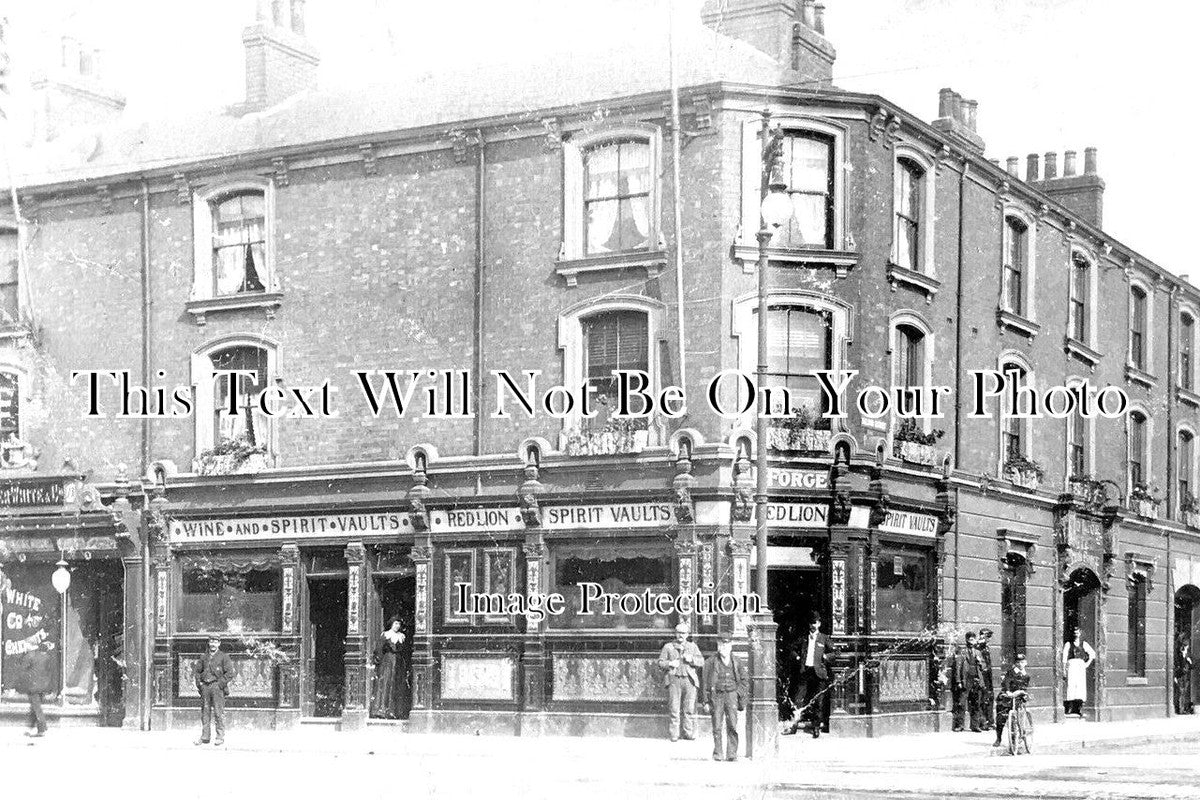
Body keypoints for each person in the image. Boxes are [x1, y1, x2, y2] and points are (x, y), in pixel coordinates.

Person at [784, 611, 833, 738]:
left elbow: (836, 652)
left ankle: (816, 727)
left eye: (815, 623)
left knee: (818, 701)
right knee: (798, 700)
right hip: (805, 671)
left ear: (819, 624)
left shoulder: (824, 638)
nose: (813, 625)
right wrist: (798, 658)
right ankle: (794, 726)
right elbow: (791, 649)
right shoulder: (804, 638)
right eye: (811, 623)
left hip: (818, 673)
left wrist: (826, 656)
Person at [704, 631, 747, 761]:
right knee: (716, 726)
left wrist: (737, 693)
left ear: (731, 645)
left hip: (732, 696)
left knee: (732, 725)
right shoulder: (711, 662)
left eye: (726, 644)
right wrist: (706, 701)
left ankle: (732, 754)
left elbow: (745, 681)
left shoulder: (737, 661)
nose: (723, 646)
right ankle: (718, 754)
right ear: (718, 645)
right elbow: (705, 682)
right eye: (721, 644)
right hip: (716, 696)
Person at [658, 622, 703, 741]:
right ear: (675, 633)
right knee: (674, 708)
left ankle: (687, 732)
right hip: (674, 680)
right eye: (678, 633)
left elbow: (701, 661)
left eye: (683, 633)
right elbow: (660, 663)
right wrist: (670, 663)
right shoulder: (668, 647)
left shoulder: (693, 647)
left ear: (687, 634)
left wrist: (692, 659)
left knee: (689, 708)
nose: (680, 635)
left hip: (689, 680)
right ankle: (674, 734)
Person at [194, 636, 235, 746]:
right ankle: (205, 737)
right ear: (208, 643)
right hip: (205, 688)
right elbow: (197, 672)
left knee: (218, 712)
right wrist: (200, 684)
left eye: (215, 642)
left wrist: (220, 684)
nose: (213, 644)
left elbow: (230, 673)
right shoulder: (203, 657)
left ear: (219, 643)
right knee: (205, 713)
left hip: (217, 688)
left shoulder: (224, 657)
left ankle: (220, 737)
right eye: (211, 641)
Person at [994, 652, 1031, 748]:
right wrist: (1007, 691)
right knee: (1000, 718)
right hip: (1008, 696)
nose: (1020, 664)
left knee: (1017, 718)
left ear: (1025, 663)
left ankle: (1016, 738)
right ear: (1015, 663)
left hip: (1018, 698)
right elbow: (1006, 682)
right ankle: (998, 738)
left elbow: (1024, 687)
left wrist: (1023, 693)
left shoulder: (1026, 675)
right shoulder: (1010, 672)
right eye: (1018, 662)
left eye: (1022, 662)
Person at [370, 617, 406, 719]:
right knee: (385, 683)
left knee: (396, 684)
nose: (397, 626)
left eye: (399, 624)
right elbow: (379, 650)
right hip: (387, 662)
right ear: (391, 624)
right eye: (395, 624)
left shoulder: (401, 636)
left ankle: (394, 711)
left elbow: (404, 651)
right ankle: (382, 710)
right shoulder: (385, 635)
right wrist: (378, 661)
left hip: (398, 663)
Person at [21, 641, 56, 738]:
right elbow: (50, 673)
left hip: (33, 687)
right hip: (43, 687)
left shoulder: (31, 656)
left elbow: (24, 668)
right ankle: (30, 727)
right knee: (35, 707)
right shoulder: (48, 658)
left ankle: (42, 728)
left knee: (36, 708)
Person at [951, 631, 985, 732]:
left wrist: (980, 662)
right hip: (966, 680)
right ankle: (960, 725)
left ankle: (975, 725)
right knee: (961, 703)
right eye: (970, 639)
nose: (972, 641)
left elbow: (984, 667)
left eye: (973, 639)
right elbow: (958, 667)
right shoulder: (962, 651)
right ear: (966, 640)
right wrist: (958, 681)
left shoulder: (978, 653)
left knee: (976, 703)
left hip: (976, 679)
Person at [1061, 626, 1095, 717]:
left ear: (1080, 633)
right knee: (1071, 684)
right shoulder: (1068, 644)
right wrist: (1064, 670)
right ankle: (1069, 707)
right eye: (1074, 633)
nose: (1076, 634)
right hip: (1071, 666)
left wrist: (1087, 664)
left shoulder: (1084, 644)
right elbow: (1064, 658)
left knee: (1080, 685)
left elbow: (1093, 654)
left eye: (1077, 633)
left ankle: (1078, 707)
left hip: (1080, 666)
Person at [977, 628, 996, 728]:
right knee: (983, 699)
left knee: (989, 698)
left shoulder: (986, 647)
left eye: (989, 637)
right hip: (982, 677)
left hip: (988, 676)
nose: (988, 639)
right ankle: (984, 722)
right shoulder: (979, 647)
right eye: (987, 636)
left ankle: (990, 721)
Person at [1174, 631, 1194, 715]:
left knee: (1185, 692)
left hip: (1186, 677)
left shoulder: (1188, 654)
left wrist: (1189, 660)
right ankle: (1180, 709)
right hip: (1180, 676)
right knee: (1181, 692)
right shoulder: (1178, 654)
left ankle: (1185, 708)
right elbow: (1177, 665)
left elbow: (1192, 666)